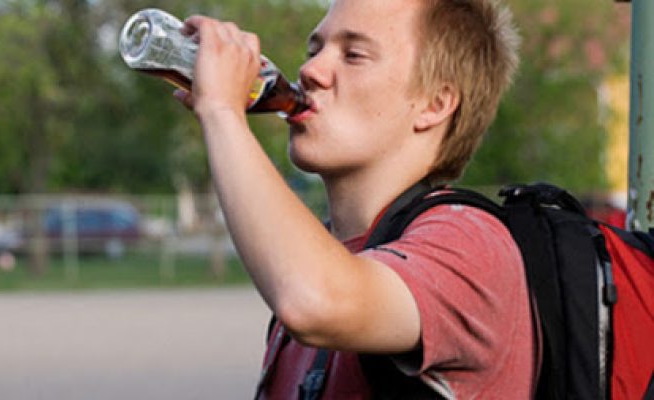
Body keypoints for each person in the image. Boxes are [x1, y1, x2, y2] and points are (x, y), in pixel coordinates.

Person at [173, 0, 533, 397]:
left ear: (435, 103)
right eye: (314, 51)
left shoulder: (470, 244)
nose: (310, 71)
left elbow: (313, 301)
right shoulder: (316, 260)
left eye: (354, 55)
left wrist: (222, 110)